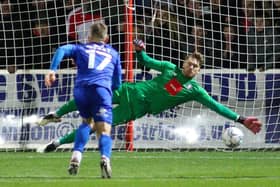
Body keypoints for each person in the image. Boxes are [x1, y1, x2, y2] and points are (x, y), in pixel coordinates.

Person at [39, 39, 262, 152]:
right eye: (190, 63)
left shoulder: (195, 91)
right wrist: (140, 50)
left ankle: (57, 142)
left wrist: (241, 119)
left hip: (134, 109)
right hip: (129, 90)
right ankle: (56, 113)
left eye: (195, 67)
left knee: (96, 126)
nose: (191, 68)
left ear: (198, 71)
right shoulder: (168, 67)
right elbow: (145, 61)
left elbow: (217, 107)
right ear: (184, 62)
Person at [44, 22, 122, 178]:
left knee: (87, 122)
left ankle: (76, 155)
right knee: (104, 129)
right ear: (106, 38)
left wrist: (52, 70)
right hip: (101, 90)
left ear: (89, 36)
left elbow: (61, 49)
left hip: (81, 90)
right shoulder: (113, 53)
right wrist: (107, 90)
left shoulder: (81, 48)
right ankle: (105, 158)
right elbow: (117, 83)